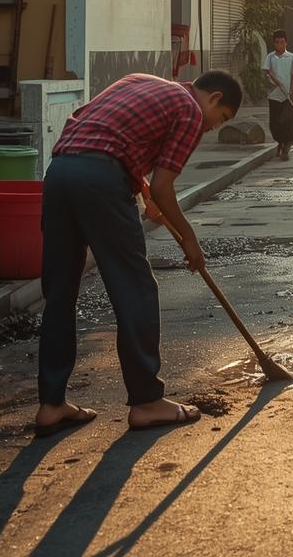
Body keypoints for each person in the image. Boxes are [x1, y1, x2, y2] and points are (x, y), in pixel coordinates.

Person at [36, 70, 241, 435]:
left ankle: (51, 403)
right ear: (214, 98)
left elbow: (100, 132)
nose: (211, 128)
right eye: (221, 119)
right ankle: (147, 400)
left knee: (60, 291)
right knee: (135, 288)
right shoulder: (191, 111)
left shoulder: (139, 81)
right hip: (100, 179)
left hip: (60, 172)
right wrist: (189, 238)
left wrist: (141, 189)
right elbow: (164, 186)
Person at [263, 30, 293, 161]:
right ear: (274, 43)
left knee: (287, 122)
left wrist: (291, 92)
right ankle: (279, 142)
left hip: (287, 95)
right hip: (274, 95)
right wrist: (274, 79)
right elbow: (267, 72)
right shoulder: (270, 57)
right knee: (274, 124)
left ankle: (286, 148)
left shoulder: (292, 57)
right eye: (277, 42)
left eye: (282, 42)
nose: (279, 45)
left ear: (286, 43)